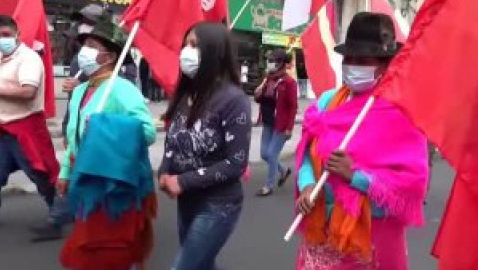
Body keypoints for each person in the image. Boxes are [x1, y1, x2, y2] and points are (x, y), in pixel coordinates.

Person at [294, 13, 429, 270]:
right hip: (323, 233)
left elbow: (410, 185)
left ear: (385, 65)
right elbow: (308, 155)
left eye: (363, 60)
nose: (352, 65)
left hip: (372, 237)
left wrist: (354, 175)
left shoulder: (402, 114)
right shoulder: (327, 102)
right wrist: (308, 185)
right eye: (348, 58)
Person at [56, 15, 157, 270]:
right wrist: (65, 172)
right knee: (91, 246)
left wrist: (104, 128)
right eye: (85, 45)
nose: (85, 52)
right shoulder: (79, 90)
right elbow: (73, 136)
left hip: (114, 183)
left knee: (115, 248)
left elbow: (147, 131)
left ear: (110, 57)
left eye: (93, 46)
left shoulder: (123, 89)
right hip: (86, 178)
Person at [159, 23, 251, 270]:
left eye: (194, 45)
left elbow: (236, 163)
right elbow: (172, 141)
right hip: (187, 201)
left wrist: (183, 181)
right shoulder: (187, 95)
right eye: (185, 44)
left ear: (214, 52)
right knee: (202, 265)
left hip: (218, 204)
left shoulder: (234, 100)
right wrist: (164, 172)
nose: (185, 52)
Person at [0, 15, 69, 240]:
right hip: (1, 128)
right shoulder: (0, 57)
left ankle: (58, 218)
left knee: (42, 174)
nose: (1, 39)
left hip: (25, 126)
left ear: (17, 34)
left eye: (6, 35)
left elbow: (28, 92)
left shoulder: (28, 59)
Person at [61, 5, 137, 138]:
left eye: (88, 22)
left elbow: (144, 130)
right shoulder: (77, 60)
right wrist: (69, 132)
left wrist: (100, 126)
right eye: (81, 21)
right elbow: (73, 112)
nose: (82, 26)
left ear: (110, 57)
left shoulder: (123, 87)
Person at [254, 48, 298, 196]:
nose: (270, 63)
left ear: (281, 63)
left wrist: (289, 128)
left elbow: (293, 106)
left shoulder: (289, 82)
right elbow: (261, 99)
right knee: (264, 154)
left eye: (273, 60)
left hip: (280, 125)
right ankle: (283, 171)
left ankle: (269, 186)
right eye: (269, 60)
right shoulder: (268, 78)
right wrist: (257, 94)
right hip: (267, 122)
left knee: (272, 154)